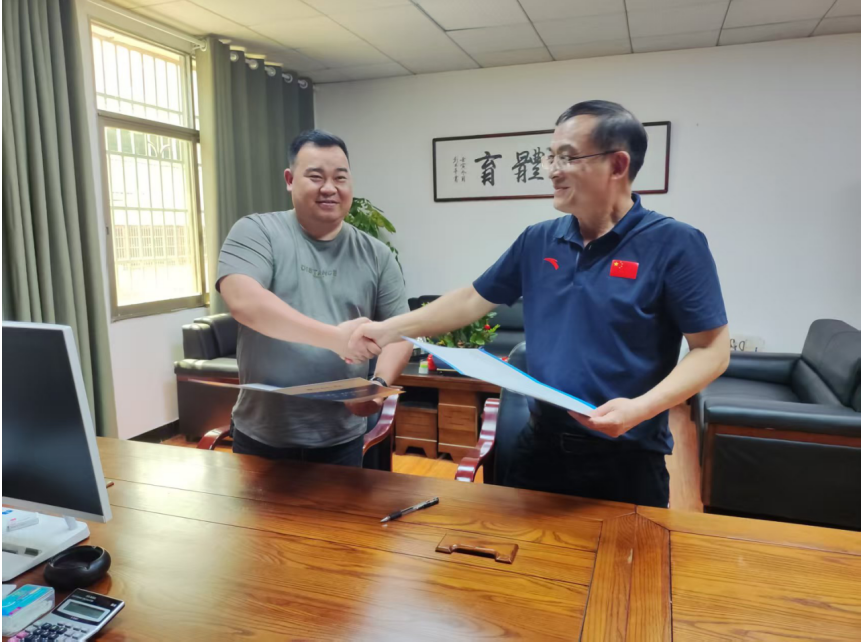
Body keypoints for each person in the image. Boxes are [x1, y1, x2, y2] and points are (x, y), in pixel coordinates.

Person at [351, 101, 729, 506]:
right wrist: (387, 329)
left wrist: (639, 409)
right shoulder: (539, 240)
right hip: (540, 448)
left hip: (628, 458)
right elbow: (472, 299)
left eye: (567, 157)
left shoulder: (675, 244)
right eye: (550, 156)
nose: (552, 170)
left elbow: (712, 350)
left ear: (618, 165)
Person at [216, 129, 412, 467]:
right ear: (290, 180)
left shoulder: (377, 254)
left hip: (341, 439)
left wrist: (377, 385)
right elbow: (244, 302)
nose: (329, 188)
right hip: (261, 436)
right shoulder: (257, 232)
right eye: (316, 177)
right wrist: (335, 339)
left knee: (340, 506)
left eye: (340, 177)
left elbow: (400, 333)